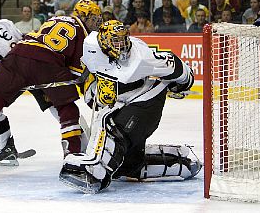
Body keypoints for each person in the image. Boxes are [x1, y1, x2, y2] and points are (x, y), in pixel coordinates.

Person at [59, 20, 201, 193]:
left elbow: (175, 65)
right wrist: (95, 91)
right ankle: (179, 163)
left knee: (110, 125)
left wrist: (182, 83)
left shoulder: (141, 58)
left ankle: (96, 172)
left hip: (146, 102)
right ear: (104, 42)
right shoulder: (91, 46)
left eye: (123, 40)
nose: (122, 46)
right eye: (116, 41)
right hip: (126, 102)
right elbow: (91, 88)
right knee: (127, 165)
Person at [0, 0, 102, 165]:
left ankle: (84, 143)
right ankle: (5, 148)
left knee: (53, 106)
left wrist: (4, 85)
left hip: (26, 70)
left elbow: (15, 52)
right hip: (27, 71)